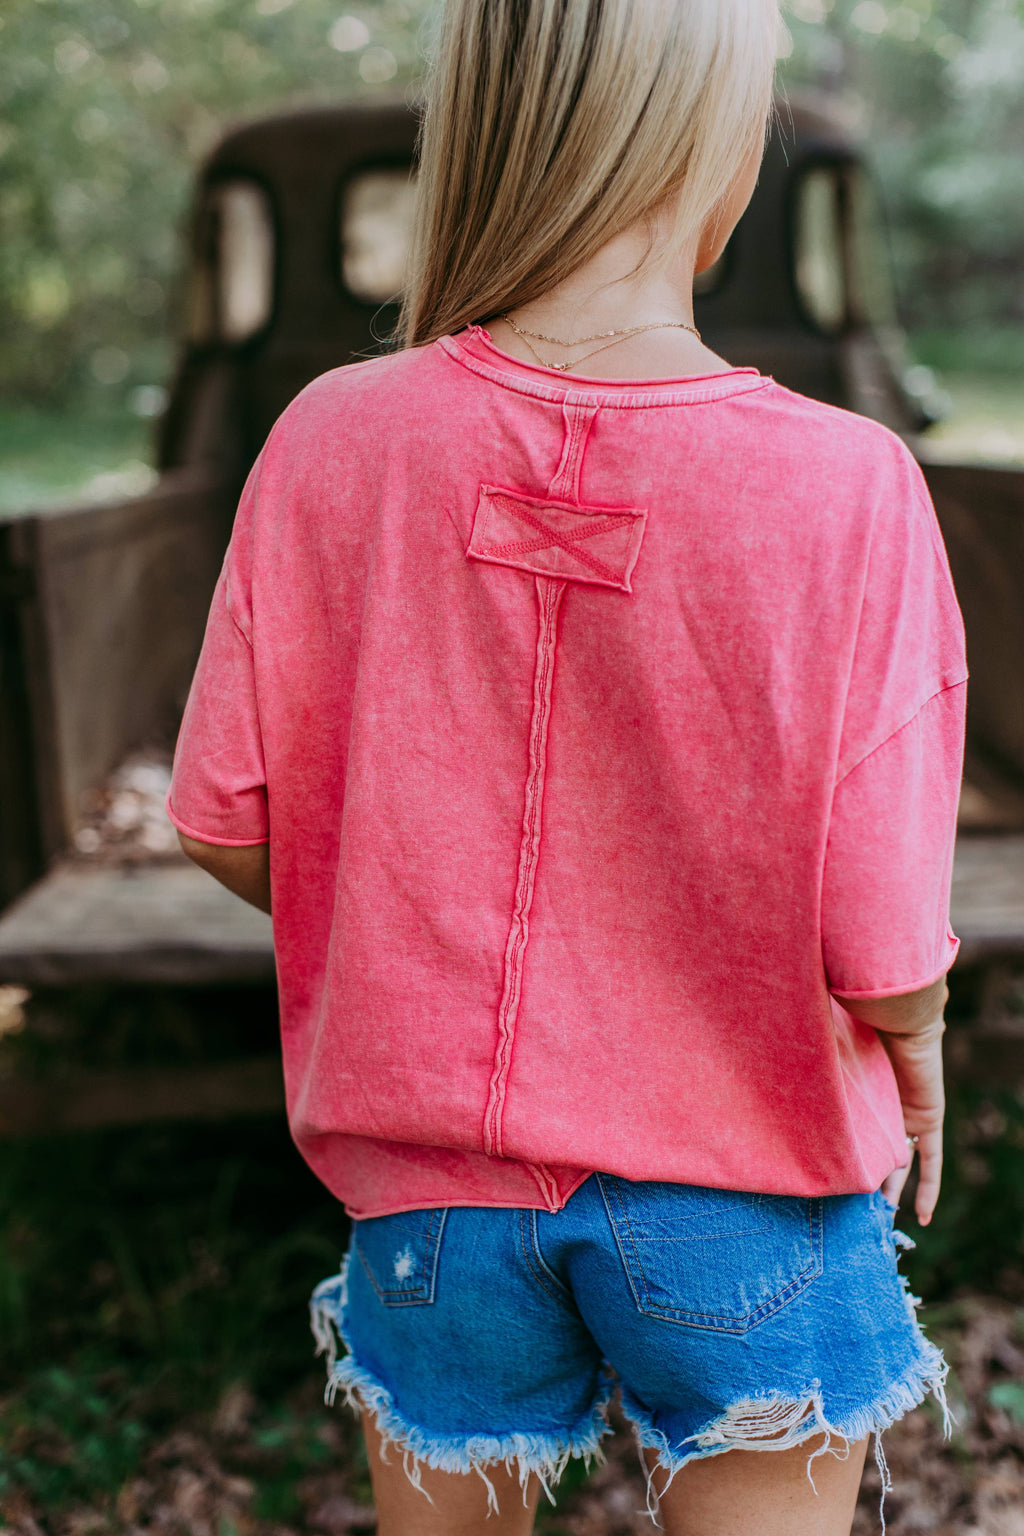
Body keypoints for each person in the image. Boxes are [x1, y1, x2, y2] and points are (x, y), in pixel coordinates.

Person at [167, 1, 967, 1531]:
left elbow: (226, 822)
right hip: (749, 1182)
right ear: (721, 147)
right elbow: (876, 927)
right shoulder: (846, 485)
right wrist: (916, 1040)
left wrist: (402, 930)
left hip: (431, 1208)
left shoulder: (330, 441)